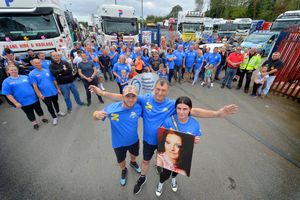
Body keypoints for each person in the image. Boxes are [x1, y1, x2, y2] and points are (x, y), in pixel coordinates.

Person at [89, 78, 238, 195]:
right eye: (158, 89)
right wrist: (102, 93)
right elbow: (122, 97)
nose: (160, 93)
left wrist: (217, 114)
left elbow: (193, 111)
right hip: (148, 141)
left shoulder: (173, 104)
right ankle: (142, 178)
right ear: (154, 88)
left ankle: (161, 170)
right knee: (145, 161)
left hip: (165, 141)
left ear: (168, 91)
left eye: (163, 90)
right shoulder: (144, 99)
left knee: (161, 162)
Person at [93, 86, 142, 186]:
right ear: (122, 96)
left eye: (133, 96)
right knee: (121, 161)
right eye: (128, 96)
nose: (131, 99)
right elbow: (96, 115)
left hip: (134, 140)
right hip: (118, 143)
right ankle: (124, 170)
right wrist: (96, 115)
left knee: (134, 155)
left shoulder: (138, 108)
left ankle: (133, 162)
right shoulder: (112, 109)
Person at [156, 96, 201, 196]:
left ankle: (174, 178)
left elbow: (197, 138)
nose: (181, 112)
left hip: (183, 155)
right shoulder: (169, 121)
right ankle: (161, 183)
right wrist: (162, 131)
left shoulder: (195, 124)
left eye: (185, 109)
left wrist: (196, 140)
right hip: (169, 155)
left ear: (190, 109)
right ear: (175, 108)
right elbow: (161, 136)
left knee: (177, 171)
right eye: (179, 108)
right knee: (165, 174)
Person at [2, 65, 48, 129]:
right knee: (29, 113)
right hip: (23, 102)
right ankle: (35, 123)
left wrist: (39, 94)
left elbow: (34, 86)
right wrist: (16, 103)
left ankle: (43, 118)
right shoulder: (6, 82)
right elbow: (8, 94)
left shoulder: (25, 77)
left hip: (34, 99)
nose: (14, 71)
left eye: (15, 69)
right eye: (11, 70)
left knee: (39, 109)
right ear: (8, 71)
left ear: (17, 70)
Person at [29, 59, 66, 125]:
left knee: (56, 102)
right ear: (33, 64)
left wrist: (58, 89)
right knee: (49, 106)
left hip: (53, 91)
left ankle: (58, 112)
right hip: (45, 94)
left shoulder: (47, 70)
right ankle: (54, 117)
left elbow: (54, 80)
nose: (38, 64)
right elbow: (35, 86)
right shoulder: (32, 74)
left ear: (41, 63)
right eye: (36, 63)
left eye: (39, 62)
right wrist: (39, 95)